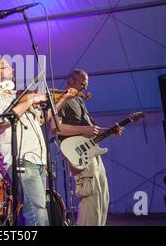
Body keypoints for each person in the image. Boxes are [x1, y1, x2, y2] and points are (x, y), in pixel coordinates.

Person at [0, 57, 49, 226]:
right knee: (36, 211)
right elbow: (5, 119)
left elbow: (41, 120)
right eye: (5, 67)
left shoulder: (19, 96)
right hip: (20, 158)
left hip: (37, 158)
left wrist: (61, 99)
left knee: (36, 210)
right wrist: (31, 100)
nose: (12, 69)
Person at [52, 69, 123, 226]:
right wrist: (84, 130)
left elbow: (91, 130)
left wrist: (110, 132)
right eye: (82, 83)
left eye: (86, 84)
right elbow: (56, 128)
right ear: (71, 80)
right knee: (91, 199)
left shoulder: (79, 101)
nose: (85, 87)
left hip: (91, 152)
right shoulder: (66, 100)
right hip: (79, 155)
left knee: (102, 197)